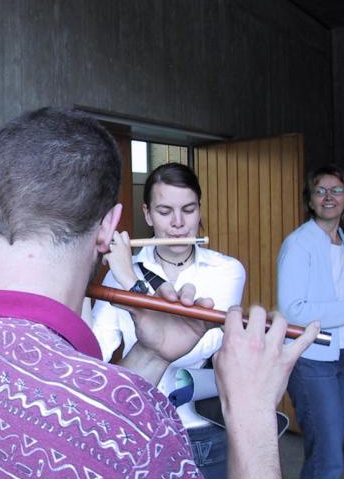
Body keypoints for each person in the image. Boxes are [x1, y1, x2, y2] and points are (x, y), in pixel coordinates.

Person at [0, 107, 319, 479]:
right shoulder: (141, 431)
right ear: (109, 228)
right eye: (165, 211)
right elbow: (97, 419)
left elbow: (88, 419)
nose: (178, 222)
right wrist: (251, 417)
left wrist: (151, 354)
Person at [92, 162, 245, 478]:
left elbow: (193, 350)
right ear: (147, 214)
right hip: (137, 425)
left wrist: (131, 281)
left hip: (199, 430)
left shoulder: (227, 270)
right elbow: (97, 355)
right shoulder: (118, 272)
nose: (178, 223)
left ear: (199, 210)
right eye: (164, 212)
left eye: (188, 210)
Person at [277, 164, 344, 479]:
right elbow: (293, 311)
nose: (328, 197)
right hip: (314, 360)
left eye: (336, 190)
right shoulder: (299, 244)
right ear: (310, 201)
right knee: (328, 459)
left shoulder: (341, 240)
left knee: (327, 452)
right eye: (320, 191)